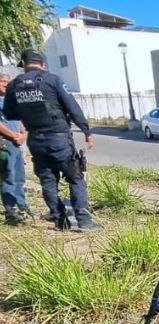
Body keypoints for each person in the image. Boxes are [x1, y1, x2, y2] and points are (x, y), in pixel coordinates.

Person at [2, 49, 100, 231]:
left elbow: (9, 113)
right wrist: (86, 131)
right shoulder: (52, 80)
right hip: (59, 139)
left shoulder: (13, 85)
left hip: (36, 141)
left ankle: (60, 220)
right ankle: (84, 220)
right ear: (43, 65)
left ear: (23, 64)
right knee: (75, 177)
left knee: (47, 180)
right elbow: (72, 106)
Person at [0, 72, 31, 226]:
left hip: (17, 143)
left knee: (19, 177)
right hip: (5, 143)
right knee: (9, 177)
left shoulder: (11, 101)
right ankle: (10, 210)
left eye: (7, 82)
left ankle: (22, 206)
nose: (6, 84)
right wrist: (13, 135)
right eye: (2, 81)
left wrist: (23, 134)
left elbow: (21, 121)